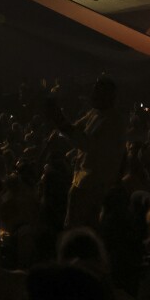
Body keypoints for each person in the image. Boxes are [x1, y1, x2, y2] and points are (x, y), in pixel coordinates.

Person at [50, 76, 127, 228]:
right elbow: (76, 131)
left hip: (94, 186)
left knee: (83, 230)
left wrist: (61, 121)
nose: (92, 95)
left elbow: (87, 144)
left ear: (107, 96)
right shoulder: (95, 113)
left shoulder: (113, 121)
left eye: (96, 92)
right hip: (81, 181)